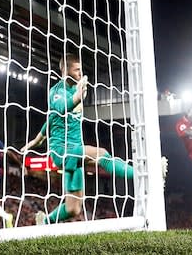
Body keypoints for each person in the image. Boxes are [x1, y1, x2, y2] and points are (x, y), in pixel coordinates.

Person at [30, 53, 133, 225]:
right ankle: (144, 174)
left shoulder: (74, 89)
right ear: (65, 70)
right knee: (102, 154)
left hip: (75, 151)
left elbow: (51, 119)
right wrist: (77, 97)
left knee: (74, 208)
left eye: (81, 69)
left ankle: (46, 221)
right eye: (76, 69)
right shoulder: (57, 92)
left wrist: (37, 140)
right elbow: (62, 108)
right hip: (62, 151)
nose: (80, 73)